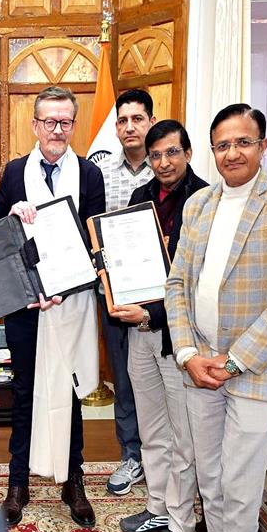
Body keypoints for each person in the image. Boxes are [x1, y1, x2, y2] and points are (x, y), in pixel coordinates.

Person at [166, 103, 267, 532]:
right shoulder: (198, 205)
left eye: (243, 142)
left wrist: (234, 361)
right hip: (200, 368)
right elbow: (176, 285)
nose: (232, 153)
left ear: (263, 145)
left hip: (255, 370)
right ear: (212, 151)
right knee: (210, 481)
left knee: (240, 487)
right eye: (222, 145)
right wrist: (187, 355)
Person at [0, 86, 104, 527]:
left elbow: (96, 240)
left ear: (73, 125)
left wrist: (67, 287)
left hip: (72, 304)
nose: (57, 129)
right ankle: (18, 484)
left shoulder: (89, 174)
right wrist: (11, 215)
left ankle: (73, 482)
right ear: (34, 125)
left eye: (65, 121)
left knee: (71, 393)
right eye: (49, 121)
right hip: (27, 305)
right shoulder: (15, 172)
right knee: (24, 393)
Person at [109, 120, 207, 532]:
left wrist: (151, 313)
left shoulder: (204, 200)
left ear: (188, 152)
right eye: (156, 155)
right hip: (139, 330)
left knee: (183, 434)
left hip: (178, 335)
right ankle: (158, 507)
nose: (164, 162)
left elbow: (196, 282)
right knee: (151, 429)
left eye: (172, 152)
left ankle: (182, 525)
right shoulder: (139, 197)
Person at [96, 88, 156, 496]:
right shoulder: (100, 172)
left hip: (160, 298)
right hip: (114, 295)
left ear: (151, 121)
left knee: (165, 381)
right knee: (125, 381)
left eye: (137, 118)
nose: (129, 126)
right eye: (122, 120)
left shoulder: (167, 166)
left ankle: (164, 458)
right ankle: (131, 456)